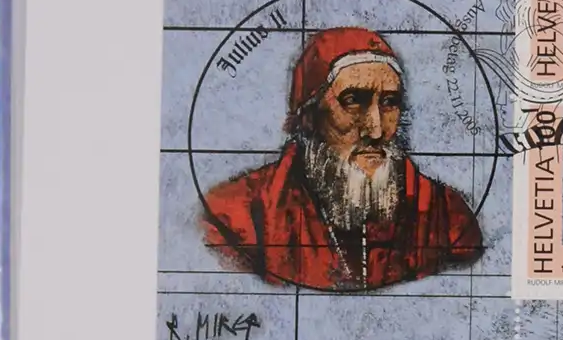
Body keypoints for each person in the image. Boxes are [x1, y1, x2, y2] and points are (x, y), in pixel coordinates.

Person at [202, 25, 482, 290]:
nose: (376, 130)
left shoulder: (446, 215)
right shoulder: (236, 218)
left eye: (389, 103)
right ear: (309, 117)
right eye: (353, 101)